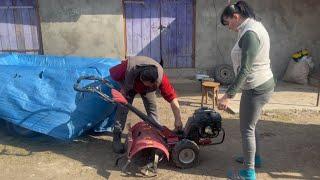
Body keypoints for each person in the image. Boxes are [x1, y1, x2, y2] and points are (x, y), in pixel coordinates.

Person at [217, 1, 275, 179]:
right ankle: (254, 158)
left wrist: (228, 95)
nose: (229, 27)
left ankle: (249, 172)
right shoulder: (250, 25)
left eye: (228, 23)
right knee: (250, 125)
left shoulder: (250, 33)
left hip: (256, 87)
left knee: (247, 129)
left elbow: (245, 69)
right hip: (259, 84)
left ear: (236, 17)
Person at [109, 56, 183, 153]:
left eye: (148, 84)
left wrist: (178, 119)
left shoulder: (160, 78)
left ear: (154, 81)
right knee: (122, 110)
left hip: (148, 91)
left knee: (152, 111)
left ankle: (157, 136)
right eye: (144, 82)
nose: (145, 84)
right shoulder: (127, 68)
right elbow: (112, 73)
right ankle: (117, 137)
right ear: (140, 77)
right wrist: (123, 88)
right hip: (129, 86)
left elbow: (172, 99)